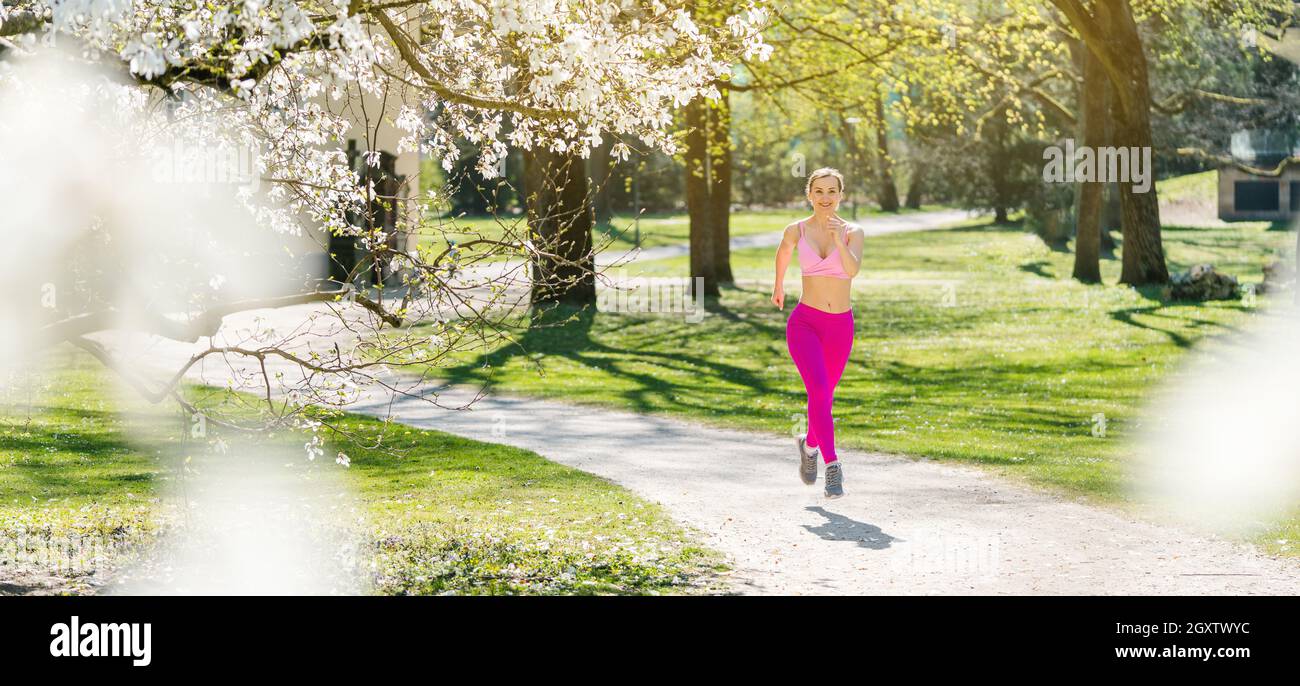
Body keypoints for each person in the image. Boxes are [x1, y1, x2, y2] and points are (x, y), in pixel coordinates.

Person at [770, 167, 864, 498]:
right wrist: (778, 284)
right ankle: (833, 466)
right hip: (805, 323)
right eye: (819, 192)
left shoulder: (854, 232)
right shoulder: (796, 230)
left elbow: (852, 270)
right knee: (819, 392)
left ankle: (809, 448)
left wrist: (839, 239)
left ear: (841, 195)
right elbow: (783, 251)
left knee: (824, 397)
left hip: (840, 326)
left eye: (832, 191)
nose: (825, 198)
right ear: (809, 195)